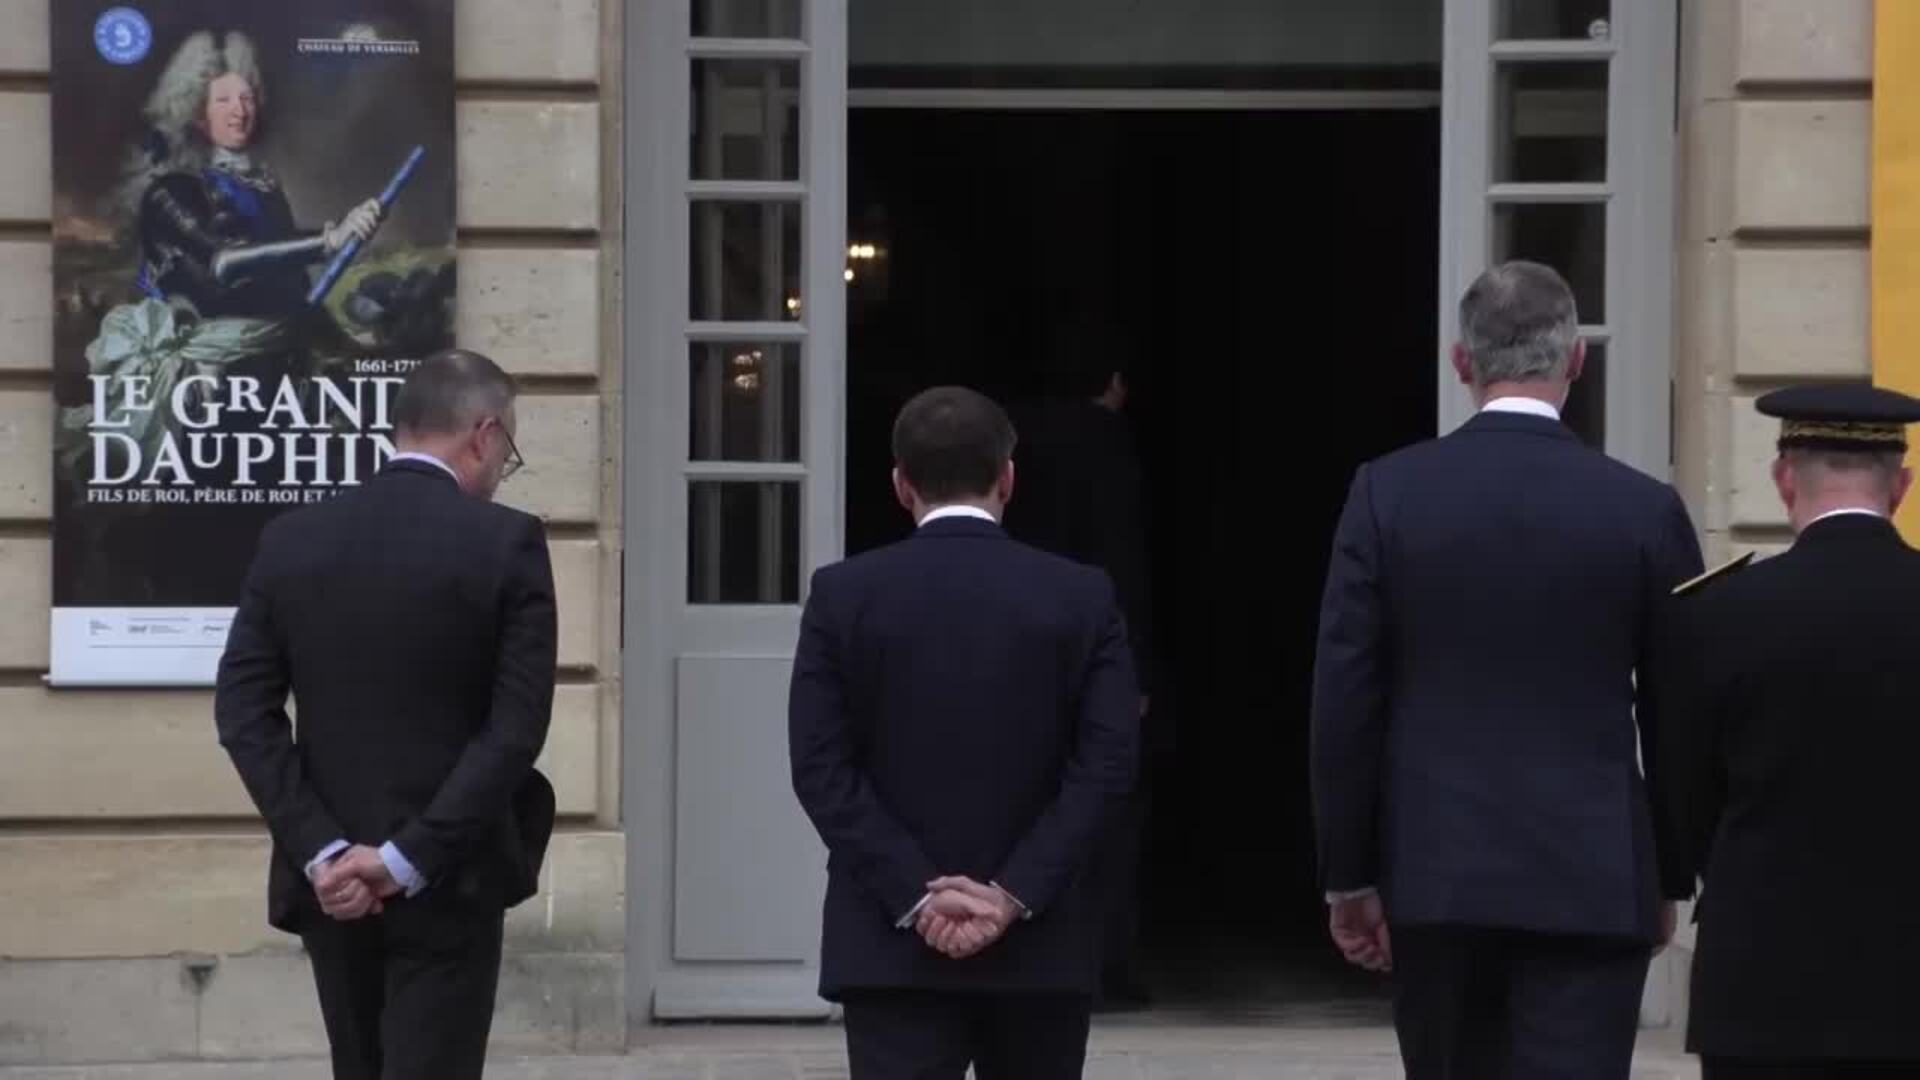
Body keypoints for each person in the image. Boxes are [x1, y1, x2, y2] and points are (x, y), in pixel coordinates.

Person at [1309, 260, 1705, 1079]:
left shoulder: (1387, 494)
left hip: (1437, 871)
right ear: (1577, 360)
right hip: (1594, 874)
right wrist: (1667, 871)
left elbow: (1346, 701)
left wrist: (1350, 875)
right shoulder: (1644, 508)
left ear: (1462, 361)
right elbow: (1680, 710)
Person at [213, 348, 556, 1080]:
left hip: (332, 888)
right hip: (452, 880)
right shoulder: (506, 542)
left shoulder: (291, 538)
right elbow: (516, 728)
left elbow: (243, 711)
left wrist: (324, 852)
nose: (503, 469)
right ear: (485, 434)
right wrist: (409, 858)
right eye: (509, 450)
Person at [788, 385, 1140, 1079]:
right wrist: (1014, 893)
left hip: (891, 945)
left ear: (901, 484)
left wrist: (918, 894)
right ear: (1007, 477)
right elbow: (1106, 765)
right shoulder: (1081, 596)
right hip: (1041, 945)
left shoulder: (843, 595)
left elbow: (821, 768)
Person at [1658, 384, 1920, 1079]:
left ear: (1782, 480)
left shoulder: (1717, 612)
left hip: (1763, 980)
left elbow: (1685, 801)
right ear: (1901, 487)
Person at [1002, 347, 1157, 1007]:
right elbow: (1124, 556)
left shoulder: (1009, 435)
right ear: (1115, 383)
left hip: (1011, 633)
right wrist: (1138, 666)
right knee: (1106, 805)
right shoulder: (1108, 445)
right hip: (1094, 638)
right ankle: (1104, 963)